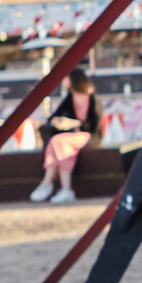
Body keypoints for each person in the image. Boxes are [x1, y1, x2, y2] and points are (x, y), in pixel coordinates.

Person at [31, 69, 101, 205]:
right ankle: (65, 188)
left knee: (57, 141)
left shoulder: (90, 96)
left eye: (65, 78)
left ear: (73, 79)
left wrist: (73, 123)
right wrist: (59, 121)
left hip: (88, 136)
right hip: (72, 138)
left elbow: (95, 124)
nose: (63, 81)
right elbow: (55, 115)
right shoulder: (71, 96)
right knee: (59, 144)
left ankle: (48, 183)